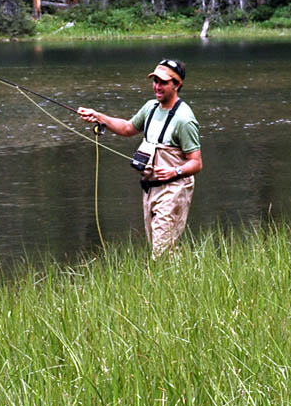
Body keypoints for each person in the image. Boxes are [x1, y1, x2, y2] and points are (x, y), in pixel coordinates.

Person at [78, 58, 202, 257]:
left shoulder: (184, 120)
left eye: (163, 82)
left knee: (161, 253)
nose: (157, 87)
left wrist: (175, 170)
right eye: (155, 81)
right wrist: (99, 116)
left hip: (174, 189)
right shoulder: (150, 108)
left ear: (177, 85)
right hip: (150, 189)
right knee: (162, 249)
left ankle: (167, 284)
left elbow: (196, 162)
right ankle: (182, 282)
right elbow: (127, 128)